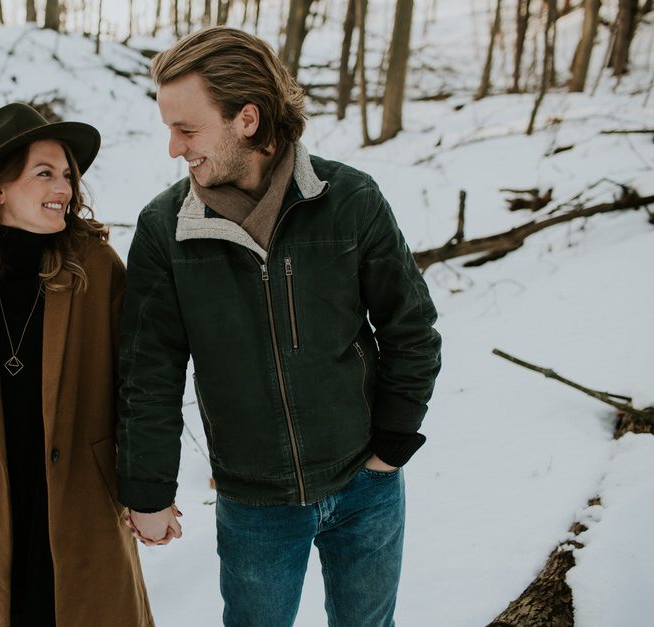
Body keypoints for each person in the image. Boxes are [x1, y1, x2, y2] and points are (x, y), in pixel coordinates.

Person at [117, 27, 442, 627]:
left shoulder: (349, 200)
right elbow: (149, 372)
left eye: (186, 130)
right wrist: (149, 488)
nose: (173, 148)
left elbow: (412, 326)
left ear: (247, 117)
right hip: (254, 504)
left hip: (365, 482)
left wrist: (393, 443)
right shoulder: (166, 228)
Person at [0, 103, 153, 627]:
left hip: (83, 502)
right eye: (45, 173)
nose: (66, 188)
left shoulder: (94, 266)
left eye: (68, 175)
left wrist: (138, 482)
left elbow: (137, 386)